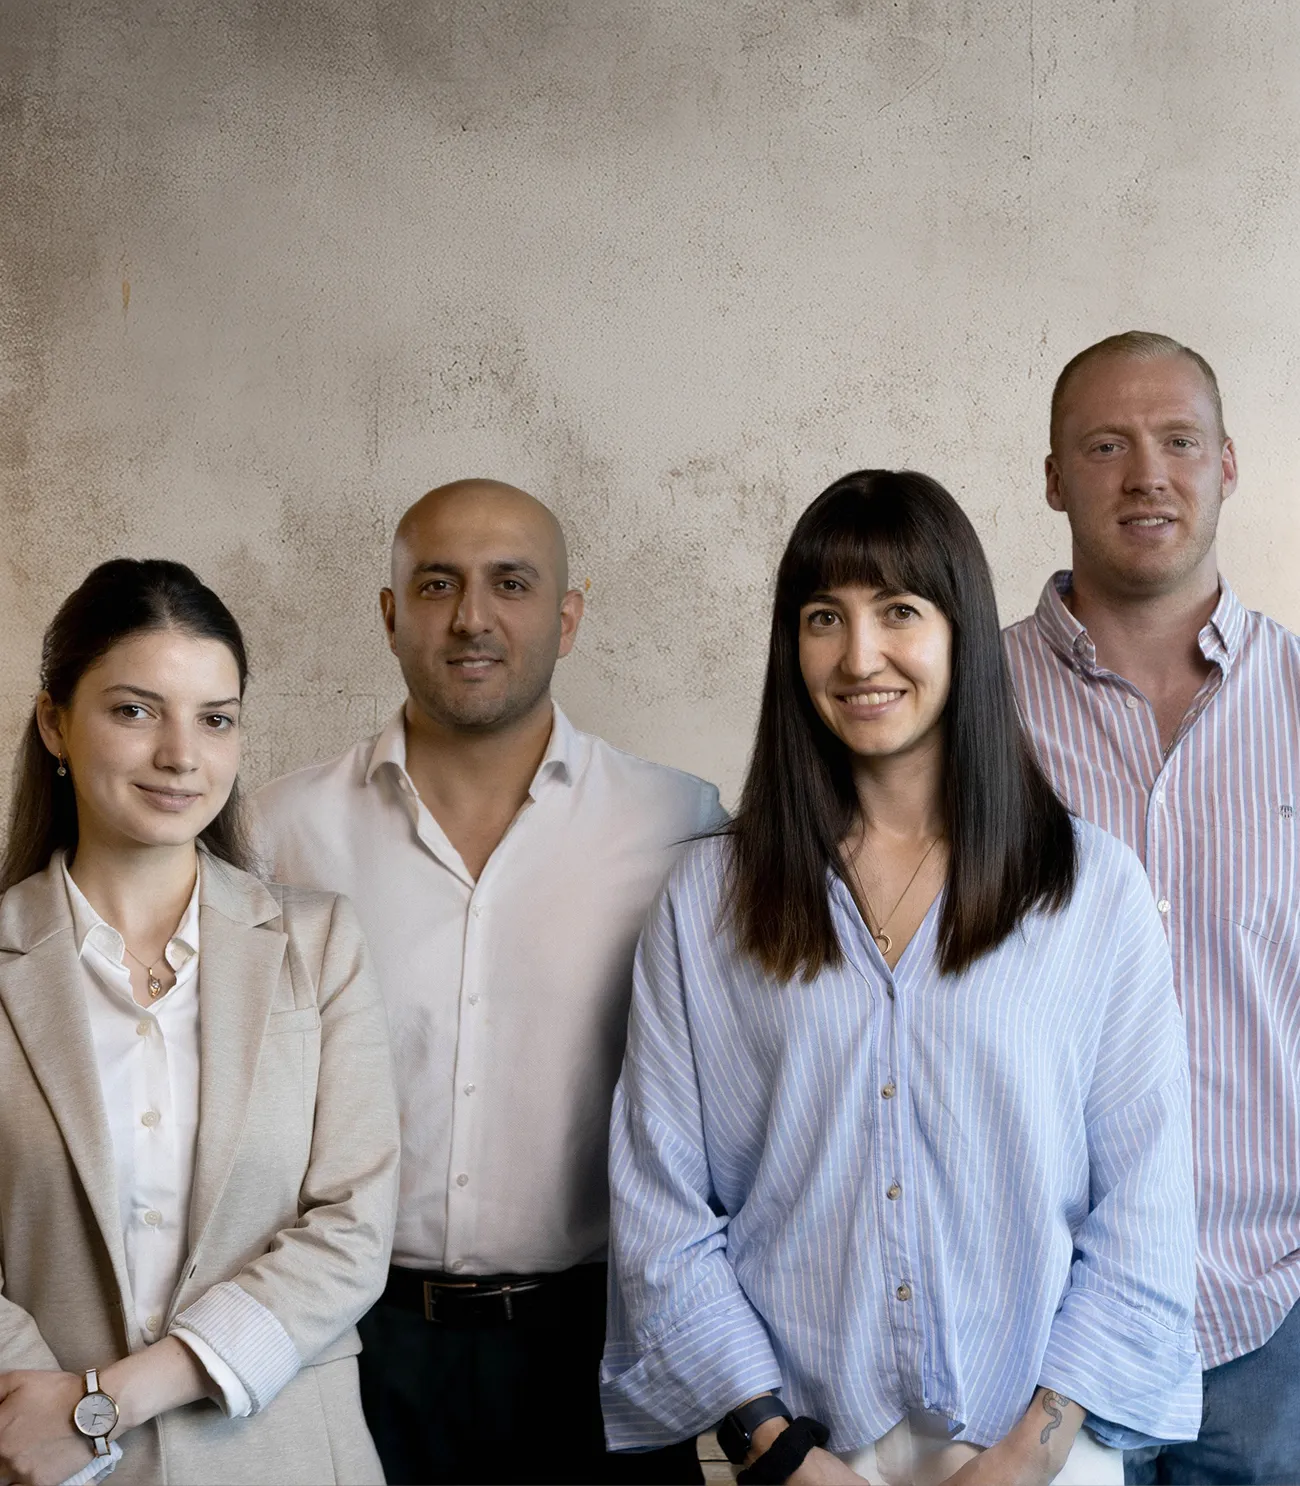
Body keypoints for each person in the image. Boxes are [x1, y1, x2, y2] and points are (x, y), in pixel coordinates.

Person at [601, 470, 1201, 1486]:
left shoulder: (1089, 889)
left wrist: (1031, 1453)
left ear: (961, 630)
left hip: (1042, 1444)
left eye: (898, 611)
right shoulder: (706, 900)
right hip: (800, 1449)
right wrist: (779, 1451)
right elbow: (660, 1210)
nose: (858, 655)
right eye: (823, 617)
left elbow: (1146, 1206)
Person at [253, 478, 717, 1486]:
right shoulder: (278, 835)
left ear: (567, 617)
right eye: (437, 584)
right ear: (389, 614)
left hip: (602, 1353)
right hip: (354, 1349)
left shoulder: (678, 827)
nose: (472, 617)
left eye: (511, 583)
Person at [0, 559, 399, 1486]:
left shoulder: (319, 943)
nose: (182, 755)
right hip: (39, 1463)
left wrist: (109, 1401)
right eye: (136, 711)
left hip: (293, 1457)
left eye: (215, 719)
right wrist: (44, 1416)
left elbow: (353, 1224)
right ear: (55, 722)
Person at [1004, 331, 1300, 1485]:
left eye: (1178, 440)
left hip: (1270, 1321)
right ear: (1051, 478)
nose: (1146, 475)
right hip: (1033, 1323)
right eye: (1105, 446)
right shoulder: (964, 706)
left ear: (1227, 463)